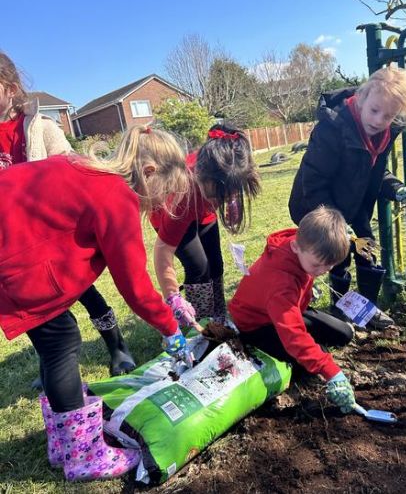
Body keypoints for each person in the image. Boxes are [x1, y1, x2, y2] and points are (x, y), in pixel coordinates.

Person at [0, 125, 194, 481]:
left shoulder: (86, 168)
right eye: (164, 191)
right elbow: (134, 287)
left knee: (57, 340)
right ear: (149, 172)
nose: (161, 201)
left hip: (14, 251)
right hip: (14, 261)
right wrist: (171, 331)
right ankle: (84, 455)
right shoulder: (115, 196)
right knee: (61, 343)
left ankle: (62, 442)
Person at [0, 51, 136, 379]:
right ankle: (56, 364)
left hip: (52, 233)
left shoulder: (39, 128)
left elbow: (70, 169)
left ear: (11, 89)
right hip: (19, 240)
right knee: (44, 310)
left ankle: (116, 344)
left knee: (85, 293)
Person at [288, 66, 406, 329]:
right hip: (317, 202)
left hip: (353, 204)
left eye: (388, 115)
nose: (378, 120)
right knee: (338, 253)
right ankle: (340, 310)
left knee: (367, 251)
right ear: (362, 97)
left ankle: (364, 311)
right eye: (375, 110)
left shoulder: (384, 132)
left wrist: (395, 187)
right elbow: (314, 181)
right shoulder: (331, 129)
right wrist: (336, 223)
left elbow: (374, 168)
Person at [228, 206, 357, 413]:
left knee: (343, 334)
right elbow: (293, 334)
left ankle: (313, 352)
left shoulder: (308, 244)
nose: (322, 271)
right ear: (296, 247)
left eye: (329, 266)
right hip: (256, 324)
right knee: (311, 364)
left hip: (288, 309)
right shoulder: (280, 283)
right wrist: (332, 372)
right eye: (317, 266)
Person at [151, 123, 260, 328]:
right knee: (199, 266)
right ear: (202, 178)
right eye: (215, 195)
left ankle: (218, 315)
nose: (219, 201)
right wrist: (173, 297)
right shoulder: (184, 193)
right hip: (171, 213)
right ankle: (200, 319)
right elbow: (162, 252)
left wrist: (232, 199)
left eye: (226, 194)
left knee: (215, 262)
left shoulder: (231, 167)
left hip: (201, 211)